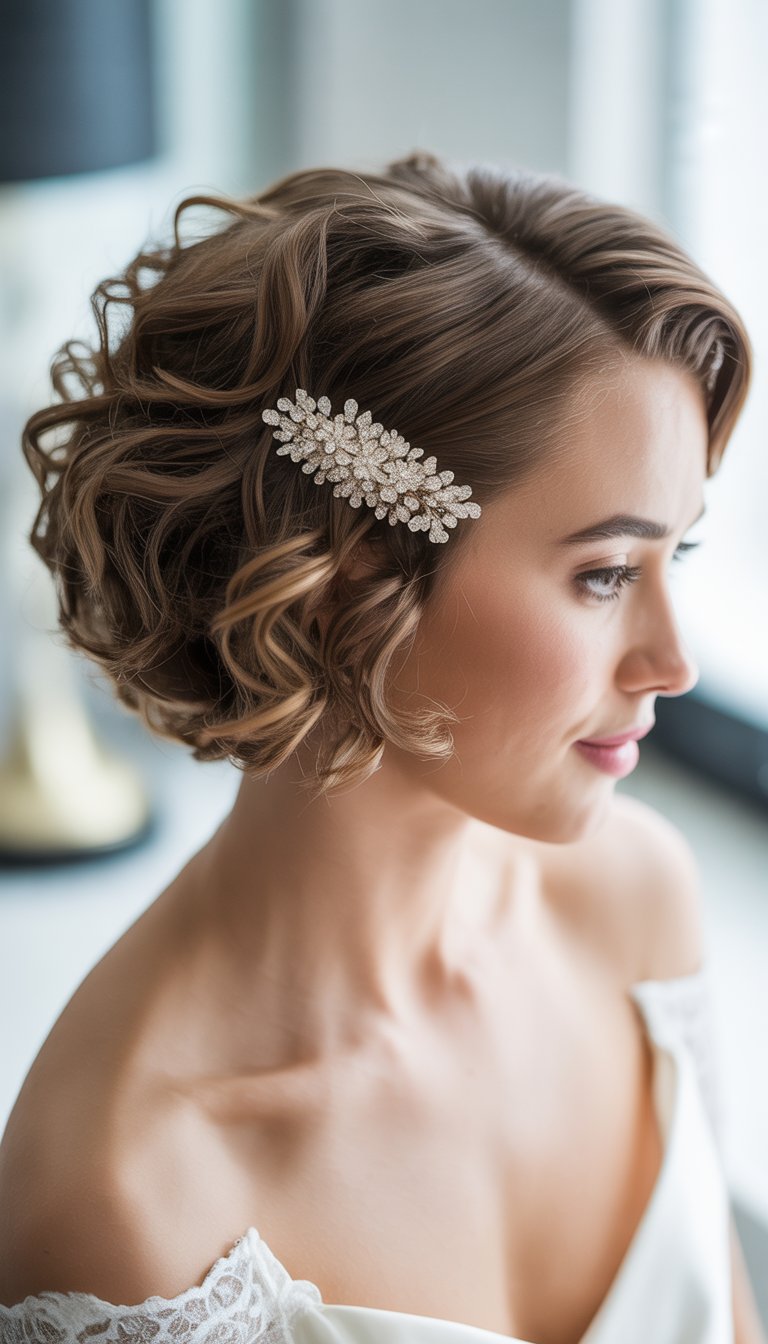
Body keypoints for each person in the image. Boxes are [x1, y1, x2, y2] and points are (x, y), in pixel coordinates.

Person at [0, 149, 763, 1344]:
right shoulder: (130, 1204)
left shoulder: (635, 901)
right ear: (349, 569)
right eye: (607, 574)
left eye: (682, 558)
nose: (675, 661)